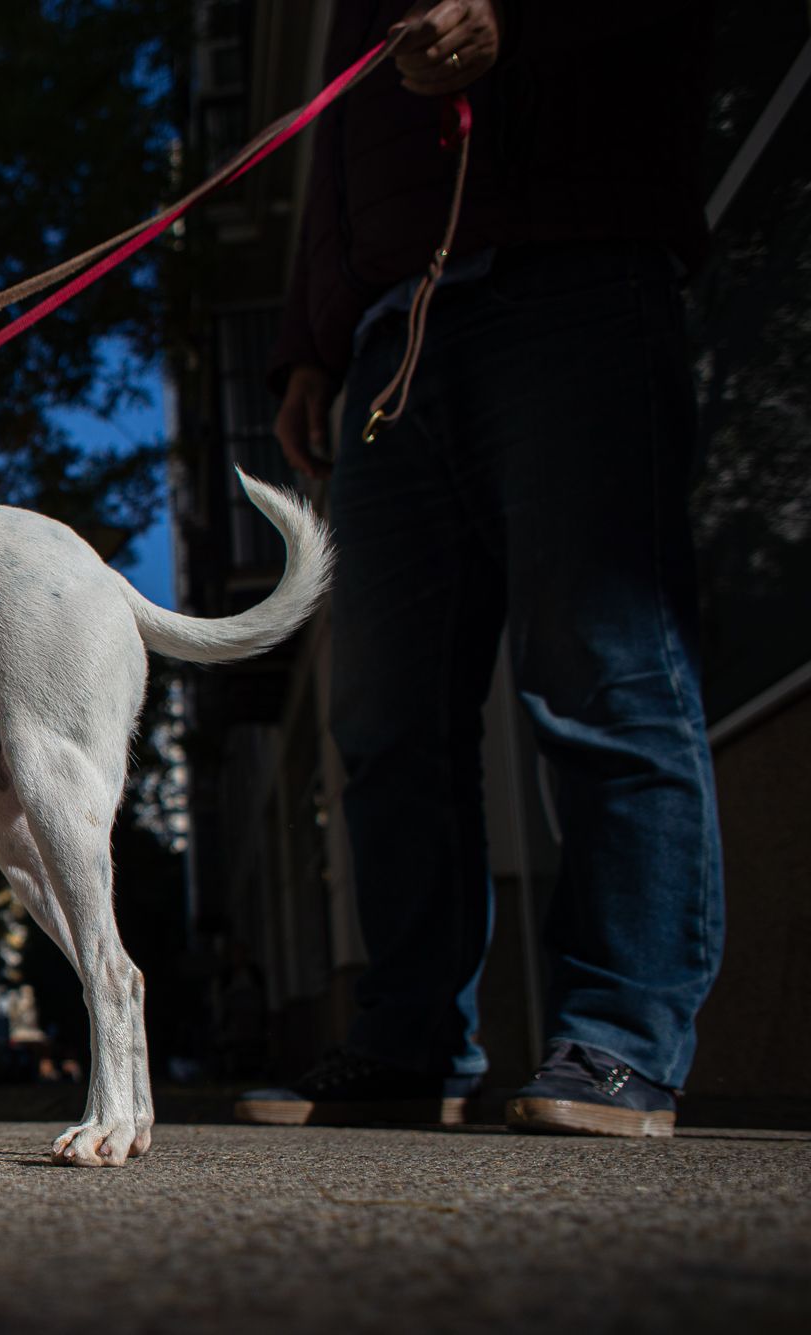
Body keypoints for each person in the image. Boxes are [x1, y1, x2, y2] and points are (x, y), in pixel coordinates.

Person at [235, 0, 723, 1138]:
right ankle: (409, 1042)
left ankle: (619, 1039)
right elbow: (340, 155)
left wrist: (517, 25)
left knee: (603, 672)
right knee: (382, 722)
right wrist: (309, 342)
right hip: (386, 347)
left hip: (574, 282)